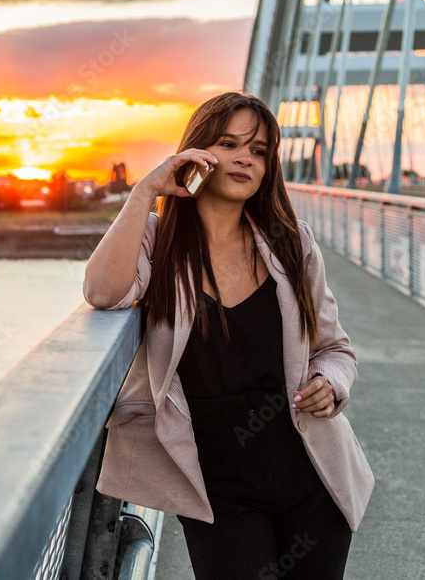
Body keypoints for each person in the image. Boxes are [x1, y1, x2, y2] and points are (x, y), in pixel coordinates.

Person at [83, 91, 374, 579]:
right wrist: (144, 191)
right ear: (197, 154)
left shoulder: (291, 243)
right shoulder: (160, 243)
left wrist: (331, 381)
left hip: (312, 474)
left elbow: (335, 348)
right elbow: (102, 292)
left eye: (259, 151)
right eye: (229, 143)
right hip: (218, 489)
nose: (245, 157)